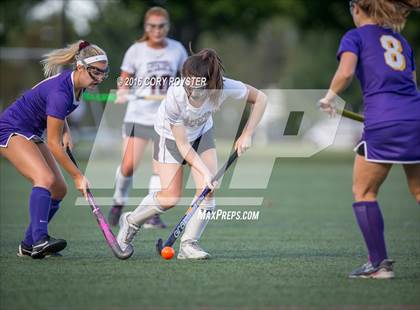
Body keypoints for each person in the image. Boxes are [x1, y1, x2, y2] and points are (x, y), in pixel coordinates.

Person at [116, 48, 267, 259]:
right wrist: (205, 172)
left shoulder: (223, 86)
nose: (192, 91)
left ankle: (189, 245)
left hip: (202, 133)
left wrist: (247, 134)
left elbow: (261, 99)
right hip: (169, 137)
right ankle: (131, 221)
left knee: (208, 190)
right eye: (188, 83)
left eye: (198, 86)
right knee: (170, 198)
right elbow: (183, 145)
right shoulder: (175, 96)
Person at [320, 0, 420, 278]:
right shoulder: (400, 40)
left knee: (364, 192)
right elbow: (409, 82)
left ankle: (378, 265)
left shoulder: (354, 36)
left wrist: (329, 97)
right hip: (416, 117)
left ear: (356, 8)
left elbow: (346, 72)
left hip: (383, 121)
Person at [0, 40, 109, 259]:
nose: (99, 78)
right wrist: (78, 176)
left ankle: (29, 244)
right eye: (96, 72)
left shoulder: (77, 86)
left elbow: (58, 112)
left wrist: (66, 130)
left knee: (59, 189)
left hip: (31, 132)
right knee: (44, 178)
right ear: (80, 67)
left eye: (104, 73)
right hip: (11, 129)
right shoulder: (62, 91)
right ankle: (40, 240)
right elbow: (53, 144)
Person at [108, 6, 188, 229]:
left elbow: (187, 76)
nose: (157, 30)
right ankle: (118, 202)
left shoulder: (177, 49)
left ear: (168, 27)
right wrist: (123, 91)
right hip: (138, 116)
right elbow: (125, 78)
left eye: (162, 26)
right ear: (146, 27)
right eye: (152, 26)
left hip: (164, 118)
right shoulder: (136, 50)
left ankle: (150, 214)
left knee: (158, 168)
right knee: (128, 166)